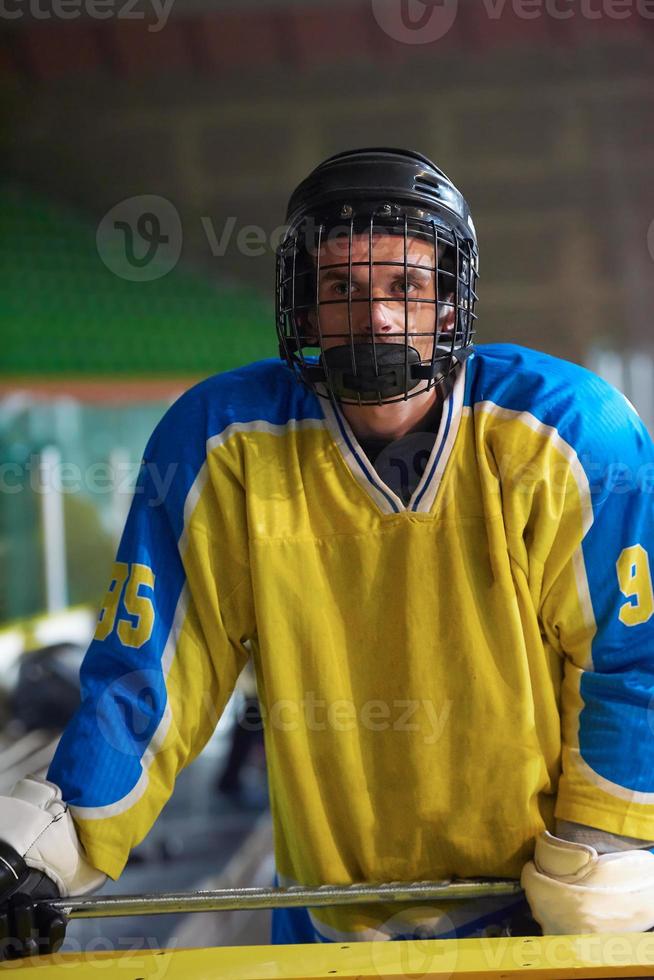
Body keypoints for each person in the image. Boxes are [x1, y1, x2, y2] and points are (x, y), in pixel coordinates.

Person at [2, 147, 654, 956]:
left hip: (533, 918)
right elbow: (146, 678)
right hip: (328, 924)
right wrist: (41, 848)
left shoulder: (569, 434)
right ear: (303, 311)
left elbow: (631, 663)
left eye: (407, 287)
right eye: (343, 288)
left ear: (450, 305)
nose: (377, 317)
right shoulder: (221, 444)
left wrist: (609, 855)